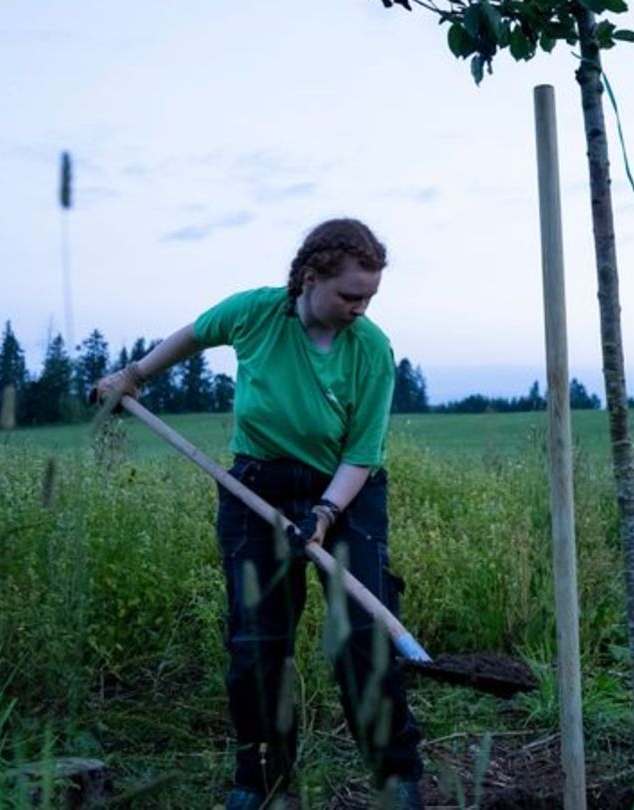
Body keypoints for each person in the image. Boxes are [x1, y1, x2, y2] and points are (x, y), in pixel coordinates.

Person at [93, 218, 423, 809]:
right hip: (256, 490)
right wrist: (134, 376)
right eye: (351, 295)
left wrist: (323, 514)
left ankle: (396, 779)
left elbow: (361, 452)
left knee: (362, 637)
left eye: (370, 297)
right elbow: (194, 335)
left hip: (347, 493)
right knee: (258, 643)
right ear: (309, 277)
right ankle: (264, 781)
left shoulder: (371, 348)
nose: (360, 308)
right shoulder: (254, 313)